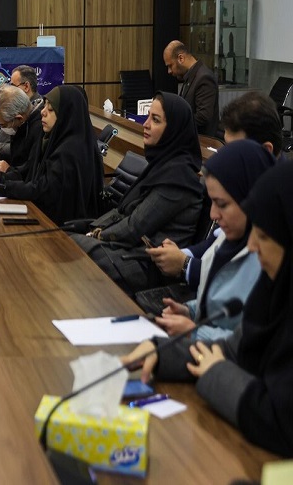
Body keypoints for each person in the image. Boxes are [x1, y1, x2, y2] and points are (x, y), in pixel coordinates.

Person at [121, 160, 293, 457]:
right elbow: (232, 350)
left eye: (264, 236)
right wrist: (162, 352)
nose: (252, 246)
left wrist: (216, 373)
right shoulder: (275, 291)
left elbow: (281, 422)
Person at [146, 91, 283, 285]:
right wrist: (179, 254)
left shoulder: (281, 204)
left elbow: (242, 279)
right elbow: (218, 242)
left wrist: (185, 265)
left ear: (266, 150)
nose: (226, 156)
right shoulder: (249, 180)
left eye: (234, 149)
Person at [72, 92, 203, 293]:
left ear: (174, 129)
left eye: (155, 120)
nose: (146, 124)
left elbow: (135, 226)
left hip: (146, 265)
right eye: (148, 116)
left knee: (69, 248)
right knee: (63, 241)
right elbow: (124, 212)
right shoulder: (163, 164)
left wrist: (97, 235)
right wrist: (94, 229)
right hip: (129, 251)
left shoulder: (179, 177)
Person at [152, 140, 275, 341]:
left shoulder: (270, 258)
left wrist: (195, 332)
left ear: (250, 198)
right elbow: (218, 306)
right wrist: (190, 311)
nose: (213, 215)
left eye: (222, 204)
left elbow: (255, 343)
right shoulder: (227, 237)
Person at [0, 85, 102, 224]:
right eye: (44, 106)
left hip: (63, 228)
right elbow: (30, 172)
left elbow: (44, 190)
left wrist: (1, 185)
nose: (43, 112)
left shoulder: (70, 150)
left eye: (50, 109)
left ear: (65, 114)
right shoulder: (53, 139)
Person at [0, 65, 43, 170]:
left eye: (13, 86)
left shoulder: (37, 121)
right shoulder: (14, 109)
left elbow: (29, 166)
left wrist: (8, 170)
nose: (11, 89)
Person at [163, 40, 219, 137]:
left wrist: (175, 122)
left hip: (201, 140)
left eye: (170, 66)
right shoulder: (190, 75)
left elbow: (203, 117)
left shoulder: (204, 77)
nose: (169, 71)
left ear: (181, 58)